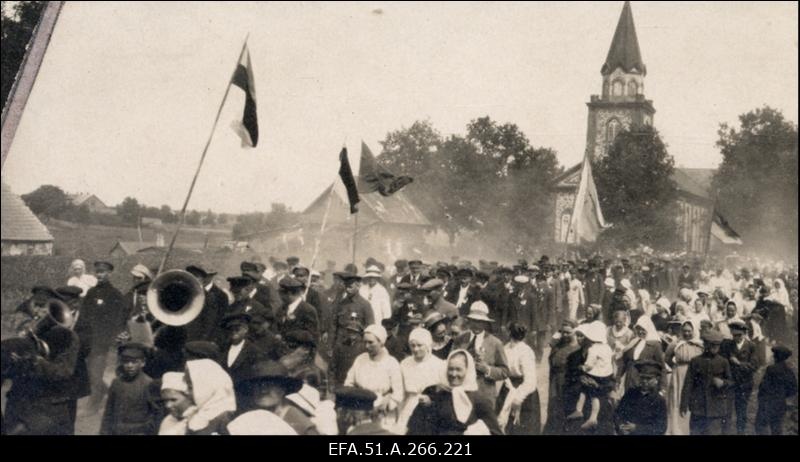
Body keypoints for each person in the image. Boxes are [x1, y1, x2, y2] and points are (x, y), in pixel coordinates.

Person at [3, 303, 80, 435]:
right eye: (39, 308)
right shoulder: (33, 333)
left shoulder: (70, 339)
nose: (41, 313)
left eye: (44, 310)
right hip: (19, 401)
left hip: (47, 407)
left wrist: (38, 362)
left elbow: (63, 372)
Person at [407, 349, 502, 435]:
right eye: (450, 369)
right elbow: (418, 426)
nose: (453, 374)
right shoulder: (440, 394)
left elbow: (495, 432)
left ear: (468, 371)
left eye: (458, 369)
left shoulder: (478, 399)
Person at [82, 261, 127, 414]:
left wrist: (111, 339)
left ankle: (92, 406)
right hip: (88, 341)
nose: (99, 275)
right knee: (88, 373)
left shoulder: (115, 295)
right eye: (98, 272)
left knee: (96, 373)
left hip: (102, 342)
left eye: (103, 272)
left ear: (109, 273)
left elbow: (119, 320)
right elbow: (84, 316)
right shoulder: (91, 293)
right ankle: (109, 393)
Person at [234, 360, 317, 435]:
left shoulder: (292, 416)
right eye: (258, 385)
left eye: (270, 384)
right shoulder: (251, 419)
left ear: (282, 389)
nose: (263, 390)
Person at [344, 324, 404, 427]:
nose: (367, 346)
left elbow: (398, 393)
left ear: (381, 342)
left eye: (371, 342)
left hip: (382, 413)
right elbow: (348, 383)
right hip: (360, 409)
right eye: (365, 342)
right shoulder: (360, 359)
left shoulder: (391, 363)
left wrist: (387, 402)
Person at [158, 359, 237, 435]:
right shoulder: (199, 416)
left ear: (207, 388)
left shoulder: (224, 419)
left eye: (190, 387)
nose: (188, 392)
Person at [454, 301, 509, 408]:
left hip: (483, 396)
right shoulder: (460, 339)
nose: (476, 324)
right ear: (469, 320)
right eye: (474, 320)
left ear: (485, 323)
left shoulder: (495, 343)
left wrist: (487, 369)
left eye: (480, 321)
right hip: (461, 393)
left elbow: (505, 372)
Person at [680, 329, 734, 435]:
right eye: (712, 345)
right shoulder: (695, 361)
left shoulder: (723, 362)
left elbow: (731, 382)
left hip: (716, 408)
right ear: (705, 345)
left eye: (717, 345)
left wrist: (723, 383)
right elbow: (688, 384)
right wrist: (684, 404)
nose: (715, 348)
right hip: (698, 408)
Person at [55, 285, 93, 432]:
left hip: (73, 374)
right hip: (54, 372)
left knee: (69, 415)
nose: (65, 304)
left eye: (68, 301)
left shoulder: (83, 322)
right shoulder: (54, 317)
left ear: (76, 303)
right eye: (62, 301)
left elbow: (85, 349)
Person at [100, 342, 158, 435]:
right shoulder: (117, 383)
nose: (129, 365)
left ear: (143, 362)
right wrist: (104, 432)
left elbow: (154, 416)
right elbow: (109, 411)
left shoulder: (149, 384)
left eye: (134, 362)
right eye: (126, 361)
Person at [396, 327, 446, 433]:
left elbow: (444, 394)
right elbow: (400, 392)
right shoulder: (405, 364)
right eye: (412, 345)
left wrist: (432, 400)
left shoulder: (440, 365)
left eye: (419, 345)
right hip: (409, 408)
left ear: (427, 345)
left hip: (431, 411)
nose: (415, 349)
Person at [567, 321, 614, 430]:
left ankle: (592, 418)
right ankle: (579, 410)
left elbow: (589, 365)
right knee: (585, 390)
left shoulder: (593, 349)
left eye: (582, 336)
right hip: (605, 374)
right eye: (577, 336)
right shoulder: (606, 347)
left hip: (597, 377)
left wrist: (583, 368)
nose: (580, 339)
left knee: (594, 396)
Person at [497, 322, 540, 435]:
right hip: (508, 387)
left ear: (509, 333)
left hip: (524, 392)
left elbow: (530, 381)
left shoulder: (525, 351)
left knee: (522, 427)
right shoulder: (505, 348)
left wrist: (518, 397)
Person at [664, 320, 704, 435]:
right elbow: (667, 358)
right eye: (684, 331)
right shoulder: (676, 343)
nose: (687, 334)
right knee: (678, 399)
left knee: (691, 399)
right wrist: (676, 368)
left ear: (694, 331)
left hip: (694, 375)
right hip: (679, 374)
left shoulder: (699, 344)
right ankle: (677, 430)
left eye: (689, 331)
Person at [720, 319, 758, 434]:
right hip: (730, 383)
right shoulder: (727, 345)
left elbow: (753, 366)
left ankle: (740, 432)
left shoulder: (751, 346)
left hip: (745, 383)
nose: (736, 337)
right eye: (734, 335)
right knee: (727, 411)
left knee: (741, 410)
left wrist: (738, 363)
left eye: (739, 335)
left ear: (745, 333)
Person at [543, 320, 581, 435]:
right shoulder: (558, 345)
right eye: (562, 332)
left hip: (567, 382)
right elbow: (550, 347)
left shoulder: (577, 348)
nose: (564, 335)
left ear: (575, 331)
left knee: (564, 408)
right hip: (555, 381)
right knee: (553, 408)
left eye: (568, 332)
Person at [614, 360, 668, 435]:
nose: (644, 381)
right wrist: (620, 426)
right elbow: (618, 413)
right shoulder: (630, 394)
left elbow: (661, 427)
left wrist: (637, 428)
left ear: (656, 380)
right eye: (642, 378)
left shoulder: (659, 400)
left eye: (648, 379)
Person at [220, 311, 264, 400]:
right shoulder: (223, 347)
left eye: (237, 329)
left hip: (241, 396)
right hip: (221, 394)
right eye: (230, 329)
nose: (233, 332)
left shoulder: (254, 352)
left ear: (245, 329)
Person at [755, 345, 797, 435]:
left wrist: (761, 399)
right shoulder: (789, 371)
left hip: (768, 403)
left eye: (774, 355)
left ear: (776, 357)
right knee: (777, 427)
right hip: (780, 404)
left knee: (760, 425)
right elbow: (794, 388)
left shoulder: (771, 369)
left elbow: (763, 387)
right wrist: (783, 395)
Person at [184, 265, 229, 343]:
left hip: (195, 339)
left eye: (197, 276)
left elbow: (211, 324)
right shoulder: (182, 291)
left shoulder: (214, 296)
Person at [619, 316, 665, 393]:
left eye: (643, 329)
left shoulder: (655, 344)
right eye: (638, 329)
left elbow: (662, 367)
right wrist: (618, 378)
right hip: (630, 380)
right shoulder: (633, 342)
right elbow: (625, 361)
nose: (640, 332)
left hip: (645, 381)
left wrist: (662, 387)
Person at [276, 276, 319, 340]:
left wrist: (288, 334)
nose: (279, 296)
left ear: (289, 294)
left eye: (281, 293)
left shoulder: (308, 310)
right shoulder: (282, 308)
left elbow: (312, 335)